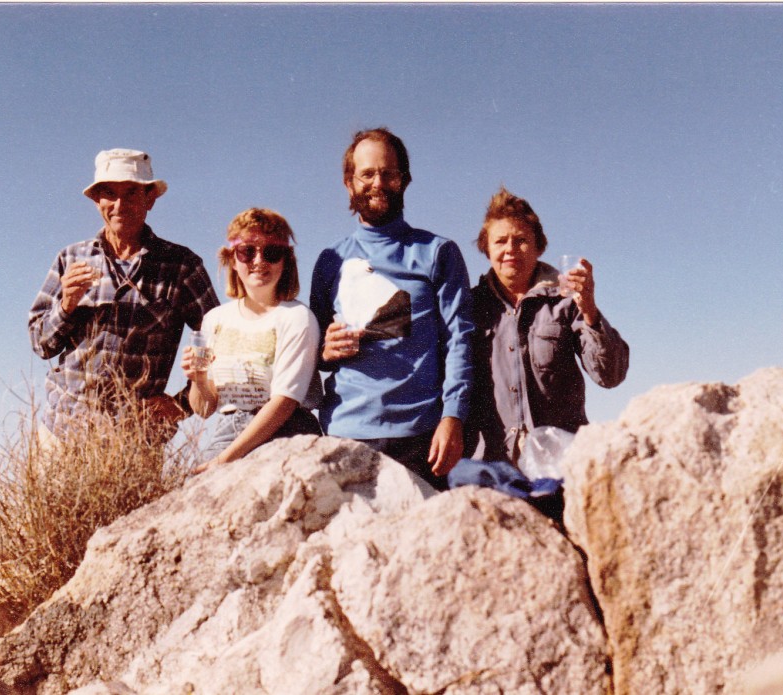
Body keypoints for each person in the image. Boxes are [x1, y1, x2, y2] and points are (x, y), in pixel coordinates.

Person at [310, 128, 474, 491]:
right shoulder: (329, 260)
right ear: (349, 183)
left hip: (422, 437)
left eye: (388, 173)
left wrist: (453, 418)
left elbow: (460, 342)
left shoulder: (438, 252)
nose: (378, 183)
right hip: (346, 434)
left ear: (405, 180)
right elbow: (316, 350)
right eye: (367, 174)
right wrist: (324, 349)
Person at [29, 148, 219, 446]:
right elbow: (40, 344)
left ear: (150, 199)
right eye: (109, 193)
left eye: (131, 193)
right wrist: (65, 305)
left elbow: (217, 337)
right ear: (96, 200)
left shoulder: (181, 265)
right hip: (63, 432)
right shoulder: (71, 258)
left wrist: (181, 404)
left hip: (137, 440)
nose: (119, 204)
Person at [464, 186, 629, 469]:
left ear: (539, 247)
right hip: (492, 466)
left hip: (559, 463)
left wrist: (589, 308)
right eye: (500, 241)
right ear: (486, 249)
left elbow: (610, 375)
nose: (510, 250)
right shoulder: (469, 306)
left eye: (521, 240)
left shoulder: (566, 301)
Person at [182, 208, 322, 469]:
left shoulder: (297, 317)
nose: (259, 261)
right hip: (227, 432)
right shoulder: (215, 319)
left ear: (285, 260)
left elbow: (284, 402)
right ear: (233, 260)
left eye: (271, 252)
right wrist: (199, 379)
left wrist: (224, 460)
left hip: (285, 432)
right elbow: (203, 409)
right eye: (247, 251)